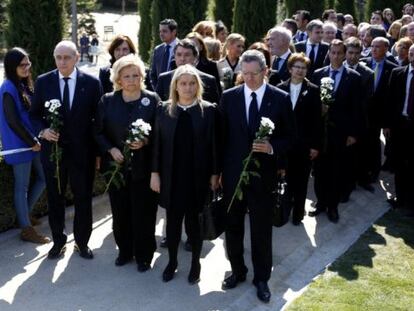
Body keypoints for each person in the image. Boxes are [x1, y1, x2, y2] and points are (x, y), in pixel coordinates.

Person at [220, 50, 295, 303]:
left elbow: (291, 139)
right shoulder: (228, 98)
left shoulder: (280, 99)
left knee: (261, 230)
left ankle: (261, 278)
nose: (250, 78)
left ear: (266, 72)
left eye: (255, 73)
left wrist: (272, 148)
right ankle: (237, 270)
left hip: (264, 177)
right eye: (245, 73)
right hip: (232, 176)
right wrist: (217, 173)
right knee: (232, 226)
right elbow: (220, 139)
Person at [30, 40, 103, 260]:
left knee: (83, 198)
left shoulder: (91, 83)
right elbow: (33, 115)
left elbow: (98, 120)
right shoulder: (44, 82)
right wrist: (42, 131)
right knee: (55, 197)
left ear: (77, 57)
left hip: (83, 153)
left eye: (67, 57)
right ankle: (58, 242)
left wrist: (98, 153)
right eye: (58, 57)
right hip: (53, 153)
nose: (62, 61)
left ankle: (82, 243)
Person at [151, 64, 220, 284]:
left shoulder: (208, 110)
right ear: (175, 86)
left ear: (198, 86)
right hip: (172, 177)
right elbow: (157, 146)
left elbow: (214, 145)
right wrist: (155, 173)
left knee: (194, 224)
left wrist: (215, 174)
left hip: (197, 177)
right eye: (183, 83)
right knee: (172, 224)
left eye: (192, 83)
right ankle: (172, 262)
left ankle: (195, 264)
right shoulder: (164, 109)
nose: (187, 88)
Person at [94, 54, 159, 271]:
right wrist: (110, 149)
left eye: (136, 75)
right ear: (118, 79)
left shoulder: (153, 100)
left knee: (144, 213)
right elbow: (98, 132)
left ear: (142, 76)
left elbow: (161, 134)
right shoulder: (108, 101)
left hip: (144, 168)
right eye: (126, 76)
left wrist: (146, 141)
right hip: (116, 168)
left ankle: (144, 256)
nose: (132, 79)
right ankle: (124, 251)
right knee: (120, 212)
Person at [0, 48, 49, 244]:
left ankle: (24, 216)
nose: (27, 67)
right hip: (20, 145)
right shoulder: (8, 88)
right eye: (22, 65)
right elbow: (12, 120)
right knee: (22, 187)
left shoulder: (22, 85)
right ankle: (26, 229)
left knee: (44, 177)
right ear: (12, 67)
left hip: (31, 142)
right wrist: (32, 141)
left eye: (28, 63)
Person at [310, 40, 361, 223]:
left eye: (340, 53)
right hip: (320, 134)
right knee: (319, 169)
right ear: (329, 53)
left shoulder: (353, 77)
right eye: (333, 52)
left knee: (336, 171)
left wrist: (353, 134)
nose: (336, 56)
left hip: (340, 134)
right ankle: (320, 202)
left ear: (345, 54)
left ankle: (333, 206)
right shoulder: (317, 74)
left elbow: (357, 108)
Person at [277, 53, 322, 225]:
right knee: (285, 179)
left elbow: (317, 121)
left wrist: (315, 146)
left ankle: (298, 215)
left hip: (304, 145)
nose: (300, 71)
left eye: (303, 68)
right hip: (285, 144)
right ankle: (284, 212)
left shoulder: (313, 90)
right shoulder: (280, 87)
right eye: (297, 67)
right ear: (290, 69)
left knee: (301, 181)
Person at [360, 37, 398, 184]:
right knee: (362, 142)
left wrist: (387, 123)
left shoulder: (393, 68)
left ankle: (374, 172)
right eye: (372, 46)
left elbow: (393, 98)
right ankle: (361, 171)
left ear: (386, 49)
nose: (374, 49)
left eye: (378, 47)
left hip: (379, 114)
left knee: (374, 144)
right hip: (363, 112)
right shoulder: (364, 62)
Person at [342, 37, 375, 198]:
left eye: (356, 53)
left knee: (356, 155)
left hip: (357, 121)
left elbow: (365, 102)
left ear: (361, 54)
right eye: (350, 52)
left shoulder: (367, 74)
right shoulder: (336, 68)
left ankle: (356, 181)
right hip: (337, 122)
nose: (353, 56)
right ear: (345, 53)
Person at [386, 44, 414, 217]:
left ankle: (411, 203)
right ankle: (400, 198)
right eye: (411, 53)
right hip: (399, 125)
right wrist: (387, 125)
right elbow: (389, 101)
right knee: (398, 163)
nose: (412, 56)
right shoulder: (398, 73)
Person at [156, 39, 220, 104]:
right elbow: (158, 106)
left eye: (187, 55)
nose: (182, 59)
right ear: (174, 57)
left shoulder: (208, 80)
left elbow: (214, 110)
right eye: (179, 55)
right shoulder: (164, 78)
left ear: (195, 58)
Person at [150, 19, 179, 90]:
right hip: (160, 92)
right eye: (160, 31)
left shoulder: (182, 48)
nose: (161, 34)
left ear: (174, 32)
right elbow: (153, 74)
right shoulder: (158, 49)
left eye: (164, 31)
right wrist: (157, 90)